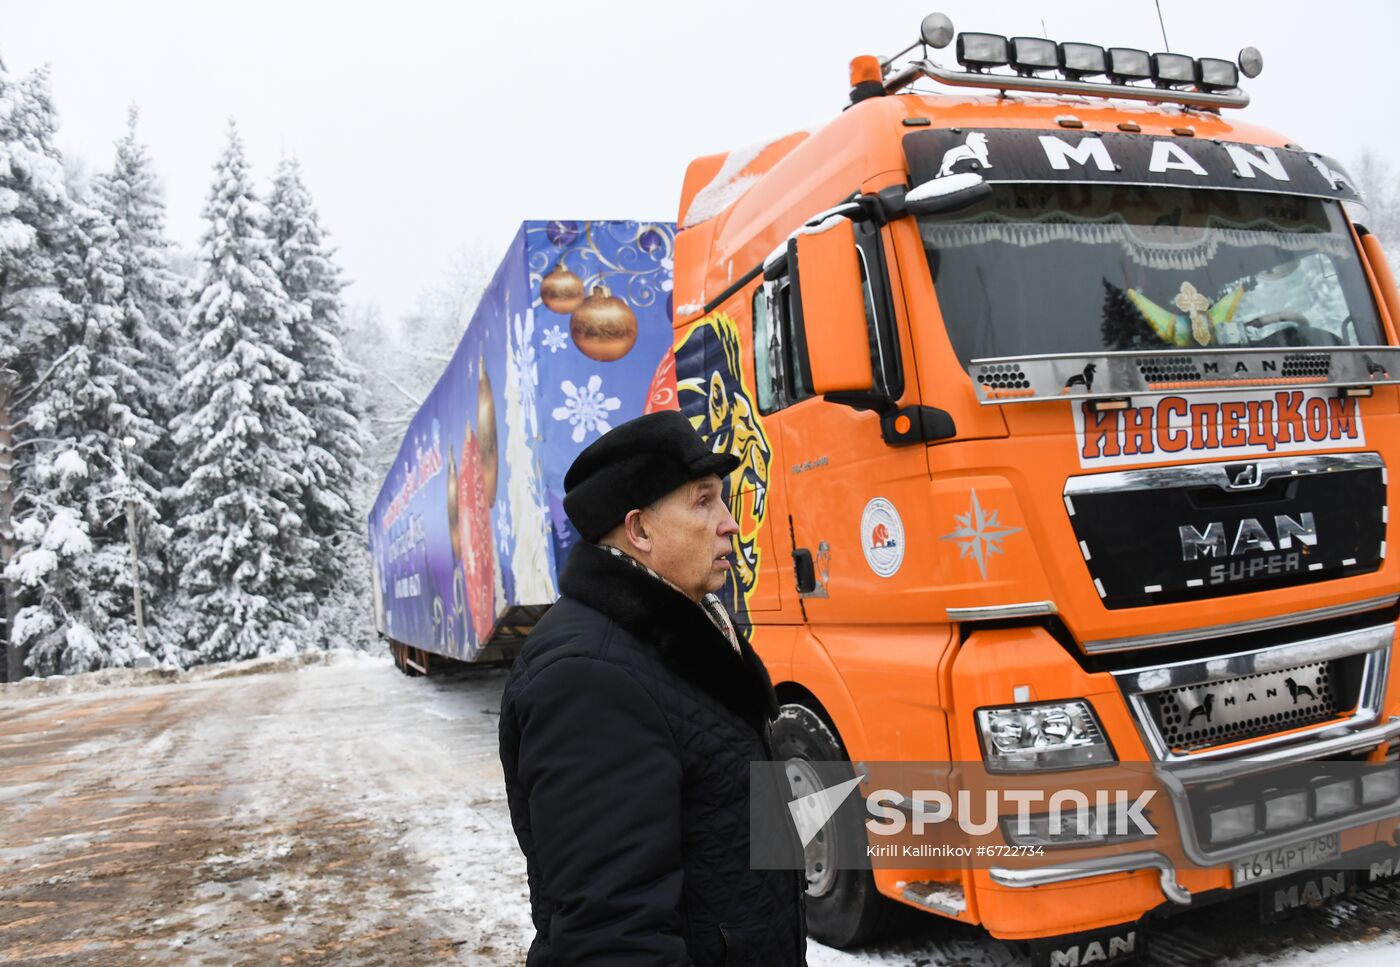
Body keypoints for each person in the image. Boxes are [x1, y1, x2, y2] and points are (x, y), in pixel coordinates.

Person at [499, 410, 806, 966]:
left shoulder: (693, 631)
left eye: (722, 498)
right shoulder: (590, 679)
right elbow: (612, 938)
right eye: (702, 500)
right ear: (638, 530)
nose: (729, 522)